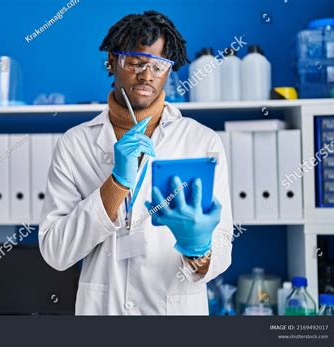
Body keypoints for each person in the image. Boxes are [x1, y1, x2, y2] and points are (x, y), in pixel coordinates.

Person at [39, 10, 233, 315]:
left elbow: (222, 244)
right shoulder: (75, 143)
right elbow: (55, 252)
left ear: (169, 71)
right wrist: (115, 185)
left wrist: (198, 250)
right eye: (135, 62)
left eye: (158, 65)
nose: (147, 75)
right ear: (112, 62)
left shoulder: (202, 140)